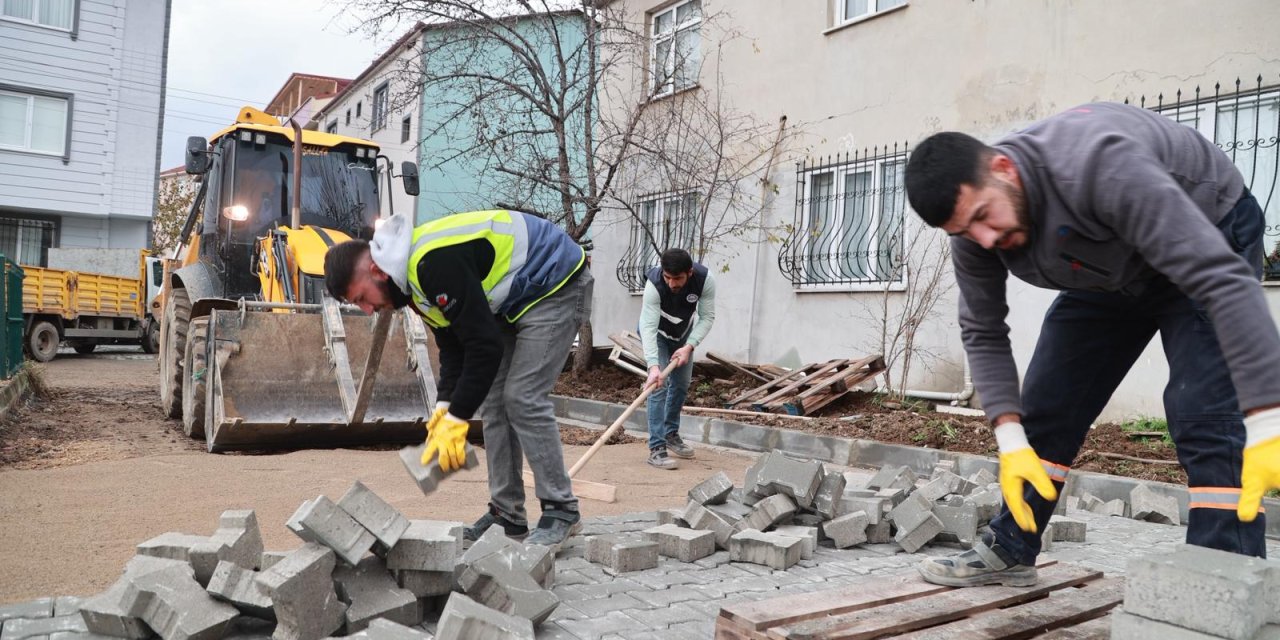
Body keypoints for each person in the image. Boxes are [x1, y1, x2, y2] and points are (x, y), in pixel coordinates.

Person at [902, 102, 1280, 587]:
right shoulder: (974, 232)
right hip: (1109, 271)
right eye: (964, 231)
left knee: (1203, 413)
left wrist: (1267, 414)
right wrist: (1010, 437)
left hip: (1207, 233)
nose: (985, 238)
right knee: (1047, 405)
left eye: (983, 216)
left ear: (1003, 168)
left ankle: (1222, 580)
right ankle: (1011, 548)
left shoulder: (1098, 167)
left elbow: (1220, 280)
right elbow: (982, 329)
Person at [323, 209, 593, 547]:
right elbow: (453, 348)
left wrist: (457, 418)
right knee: (495, 402)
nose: (367, 310)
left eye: (361, 297)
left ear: (376, 270)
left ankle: (562, 510)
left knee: (522, 396)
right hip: (516, 300)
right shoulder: (411, 288)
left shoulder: (432, 264)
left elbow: (484, 348)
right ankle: (506, 516)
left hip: (555, 279)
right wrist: (444, 409)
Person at [638, 248, 716, 470]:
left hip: (683, 336)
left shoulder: (705, 280)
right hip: (658, 335)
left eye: (678, 278)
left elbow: (707, 316)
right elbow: (648, 327)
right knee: (658, 386)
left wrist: (689, 346)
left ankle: (671, 433)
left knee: (681, 385)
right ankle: (656, 448)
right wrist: (654, 366)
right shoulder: (654, 285)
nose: (672, 283)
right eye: (668, 277)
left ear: (689, 273)